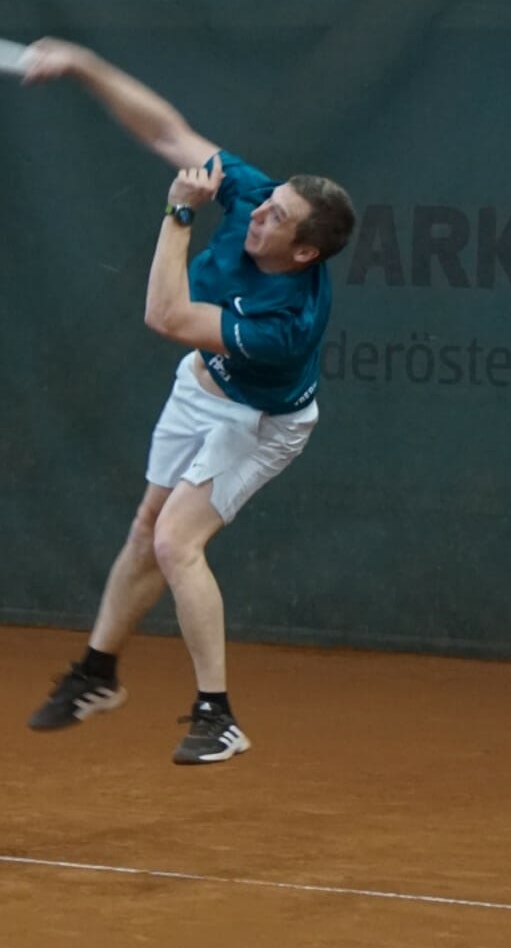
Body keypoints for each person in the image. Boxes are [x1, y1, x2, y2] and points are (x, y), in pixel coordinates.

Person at [21, 39, 355, 765]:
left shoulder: (285, 323)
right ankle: (97, 674)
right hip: (200, 388)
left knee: (176, 541)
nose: (259, 212)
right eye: (267, 202)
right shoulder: (257, 197)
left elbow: (165, 317)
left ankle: (218, 716)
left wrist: (179, 214)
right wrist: (81, 64)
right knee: (147, 528)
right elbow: (168, 133)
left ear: (304, 253)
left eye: (276, 217)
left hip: (260, 422)